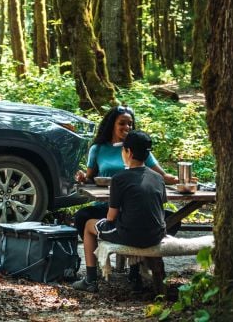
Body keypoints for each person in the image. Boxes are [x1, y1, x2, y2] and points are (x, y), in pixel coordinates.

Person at [71, 105, 184, 287]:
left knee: (173, 219)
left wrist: (182, 179)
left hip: (123, 214)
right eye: (122, 123)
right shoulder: (99, 148)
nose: (127, 127)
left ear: (129, 152)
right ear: (112, 125)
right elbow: (90, 176)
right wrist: (84, 177)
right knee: (82, 217)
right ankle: (104, 265)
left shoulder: (138, 147)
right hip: (110, 204)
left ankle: (132, 269)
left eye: (130, 124)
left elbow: (164, 176)